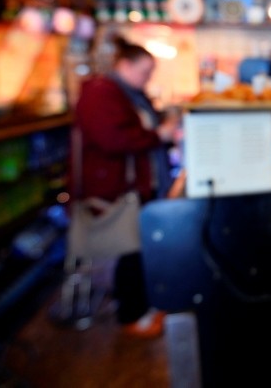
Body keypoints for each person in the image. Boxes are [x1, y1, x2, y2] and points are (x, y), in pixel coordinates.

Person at [73, 36, 179, 337]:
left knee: (136, 249)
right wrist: (159, 135)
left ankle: (141, 309)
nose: (147, 78)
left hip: (134, 184)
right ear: (124, 65)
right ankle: (132, 315)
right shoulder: (101, 93)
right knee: (129, 250)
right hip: (117, 186)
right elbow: (113, 139)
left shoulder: (126, 92)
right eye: (144, 71)